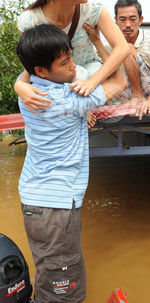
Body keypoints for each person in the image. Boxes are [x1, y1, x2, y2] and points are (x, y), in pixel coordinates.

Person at [16, 24, 128, 303]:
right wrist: (101, 48)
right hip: (57, 208)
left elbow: (27, 74)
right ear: (41, 70)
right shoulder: (71, 99)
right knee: (64, 291)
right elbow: (121, 81)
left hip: (34, 199)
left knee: (48, 275)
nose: (73, 66)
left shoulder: (26, 95)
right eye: (65, 62)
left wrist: (20, 82)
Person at [15, 0, 130, 114]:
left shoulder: (92, 7)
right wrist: (20, 86)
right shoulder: (31, 21)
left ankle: (85, 107)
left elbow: (122, 47)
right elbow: (34, 65)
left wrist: (92, 83)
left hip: (89, 74)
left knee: (84, 74)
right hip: (57, 82)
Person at [93, 0, 150, 120]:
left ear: (140, 20)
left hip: (148, 91)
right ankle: (131, 98)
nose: (128, 24)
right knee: (105, 59)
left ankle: (138, 96)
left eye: (133, 19)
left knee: (126, 48)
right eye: (122, 20)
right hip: (122, 92)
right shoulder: (107, 42)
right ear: (116, 20)